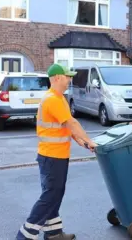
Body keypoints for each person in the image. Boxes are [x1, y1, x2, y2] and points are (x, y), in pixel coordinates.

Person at [16, 63, 98, 240]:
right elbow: (72, 124)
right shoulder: (52, 99)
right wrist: (90, 140)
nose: (70, 80)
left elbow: (67, 126)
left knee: (55, 194)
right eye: (68, 77)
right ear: (57, 78)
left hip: (56, 156)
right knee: (50, 196)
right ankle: (24, 236)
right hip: (51, 157)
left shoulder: (59, 98)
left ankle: (53, 233)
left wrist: (83, 142)